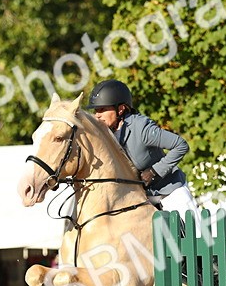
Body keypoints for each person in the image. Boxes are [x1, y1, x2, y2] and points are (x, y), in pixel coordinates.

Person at [83, 80, 199, 214]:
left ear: (120, 109)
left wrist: (154, 171)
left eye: (102, 109)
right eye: (96, 110)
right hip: (139, 198)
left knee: (190, 226)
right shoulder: (104, 134)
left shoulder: (141, 128)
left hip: (170, 191)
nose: (97, 115)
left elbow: (180, 145)